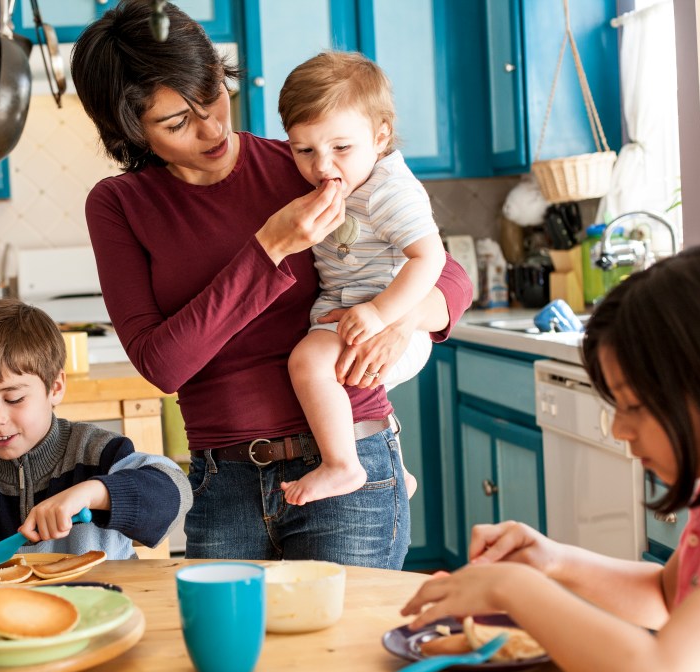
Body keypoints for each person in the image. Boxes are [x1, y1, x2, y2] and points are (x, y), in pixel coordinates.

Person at [71, 0, 473, 569]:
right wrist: (270, 248)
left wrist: (399, 317)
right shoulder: (119, 206)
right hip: (224, 481)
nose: (212, 127)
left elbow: (449, 272)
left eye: (211, 94)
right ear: (129, 129)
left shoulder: (306, 161)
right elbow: (162, 364)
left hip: (351, 462)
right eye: (176, 122)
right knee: (228, 658)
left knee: (348, 656)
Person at [401, 246, 700, 672]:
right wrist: (552, 561)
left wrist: (513, 589)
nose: (619, 429)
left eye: (633, 406)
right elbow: (665, 595)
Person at [0, 298, 191, 563]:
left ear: (56, 387)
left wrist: (92, 493)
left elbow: (175, 491)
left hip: (102, 607)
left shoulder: (95, 451)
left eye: (14, 399)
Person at [277, 51, 446, 505]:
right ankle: (397, 471)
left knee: (308, 365)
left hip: (390, 324)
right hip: (355, 318)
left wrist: (380, 313)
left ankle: (342, 466)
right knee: (342, 387)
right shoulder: (340, 185)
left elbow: (430, 258)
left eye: (341, 148)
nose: (322, 167)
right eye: (304, 150)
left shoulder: (387, 190)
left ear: (381, 135)